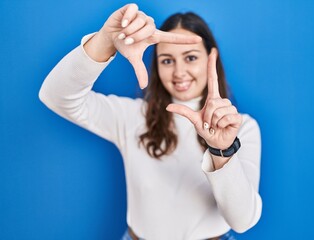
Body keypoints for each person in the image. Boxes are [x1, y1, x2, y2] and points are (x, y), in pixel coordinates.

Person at [39, 3, 262, 240]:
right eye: (167, 60)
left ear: (211, 57)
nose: (179, 72)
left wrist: (222, 150)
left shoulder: (241, 128)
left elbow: (242, 221)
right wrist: (105, 40)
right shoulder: (131, 116)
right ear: (156, 65)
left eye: (190, 57)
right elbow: (55, 95)